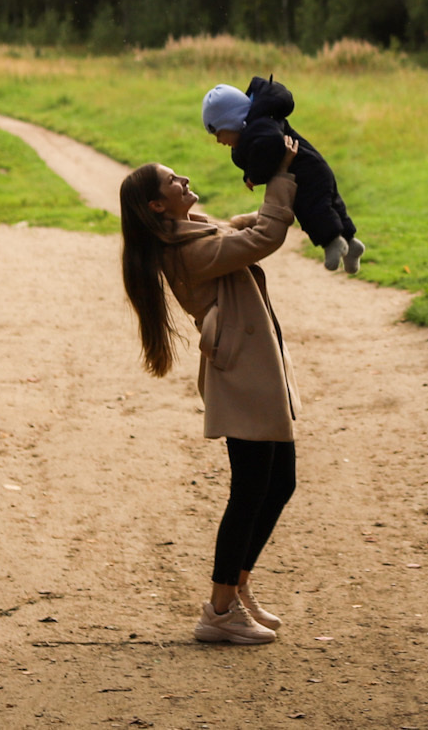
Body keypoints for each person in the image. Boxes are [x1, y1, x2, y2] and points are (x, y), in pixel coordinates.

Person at [118, 137, 301, 645]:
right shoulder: (186, 251)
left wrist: (267, 198)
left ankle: (236, 588)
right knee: (249, 490)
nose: (184, 183)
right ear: (159, 205)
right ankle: (218, 611)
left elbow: (234, 231)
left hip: (254, 370)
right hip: (241, 377)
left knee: (279, 482)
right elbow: (262, 237)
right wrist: (279, 180)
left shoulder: (186, 237)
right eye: (174, 181)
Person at [201, 79, 365, 274]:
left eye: (219, 134)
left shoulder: (259, 129)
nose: (219, 141)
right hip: (316, 168)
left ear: (233, 122)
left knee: (311, 209)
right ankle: (351, 243)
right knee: (331, 203)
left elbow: (271, 149)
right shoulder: (261, 123)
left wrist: (254, 176)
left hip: (305, 175)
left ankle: (331, 242)